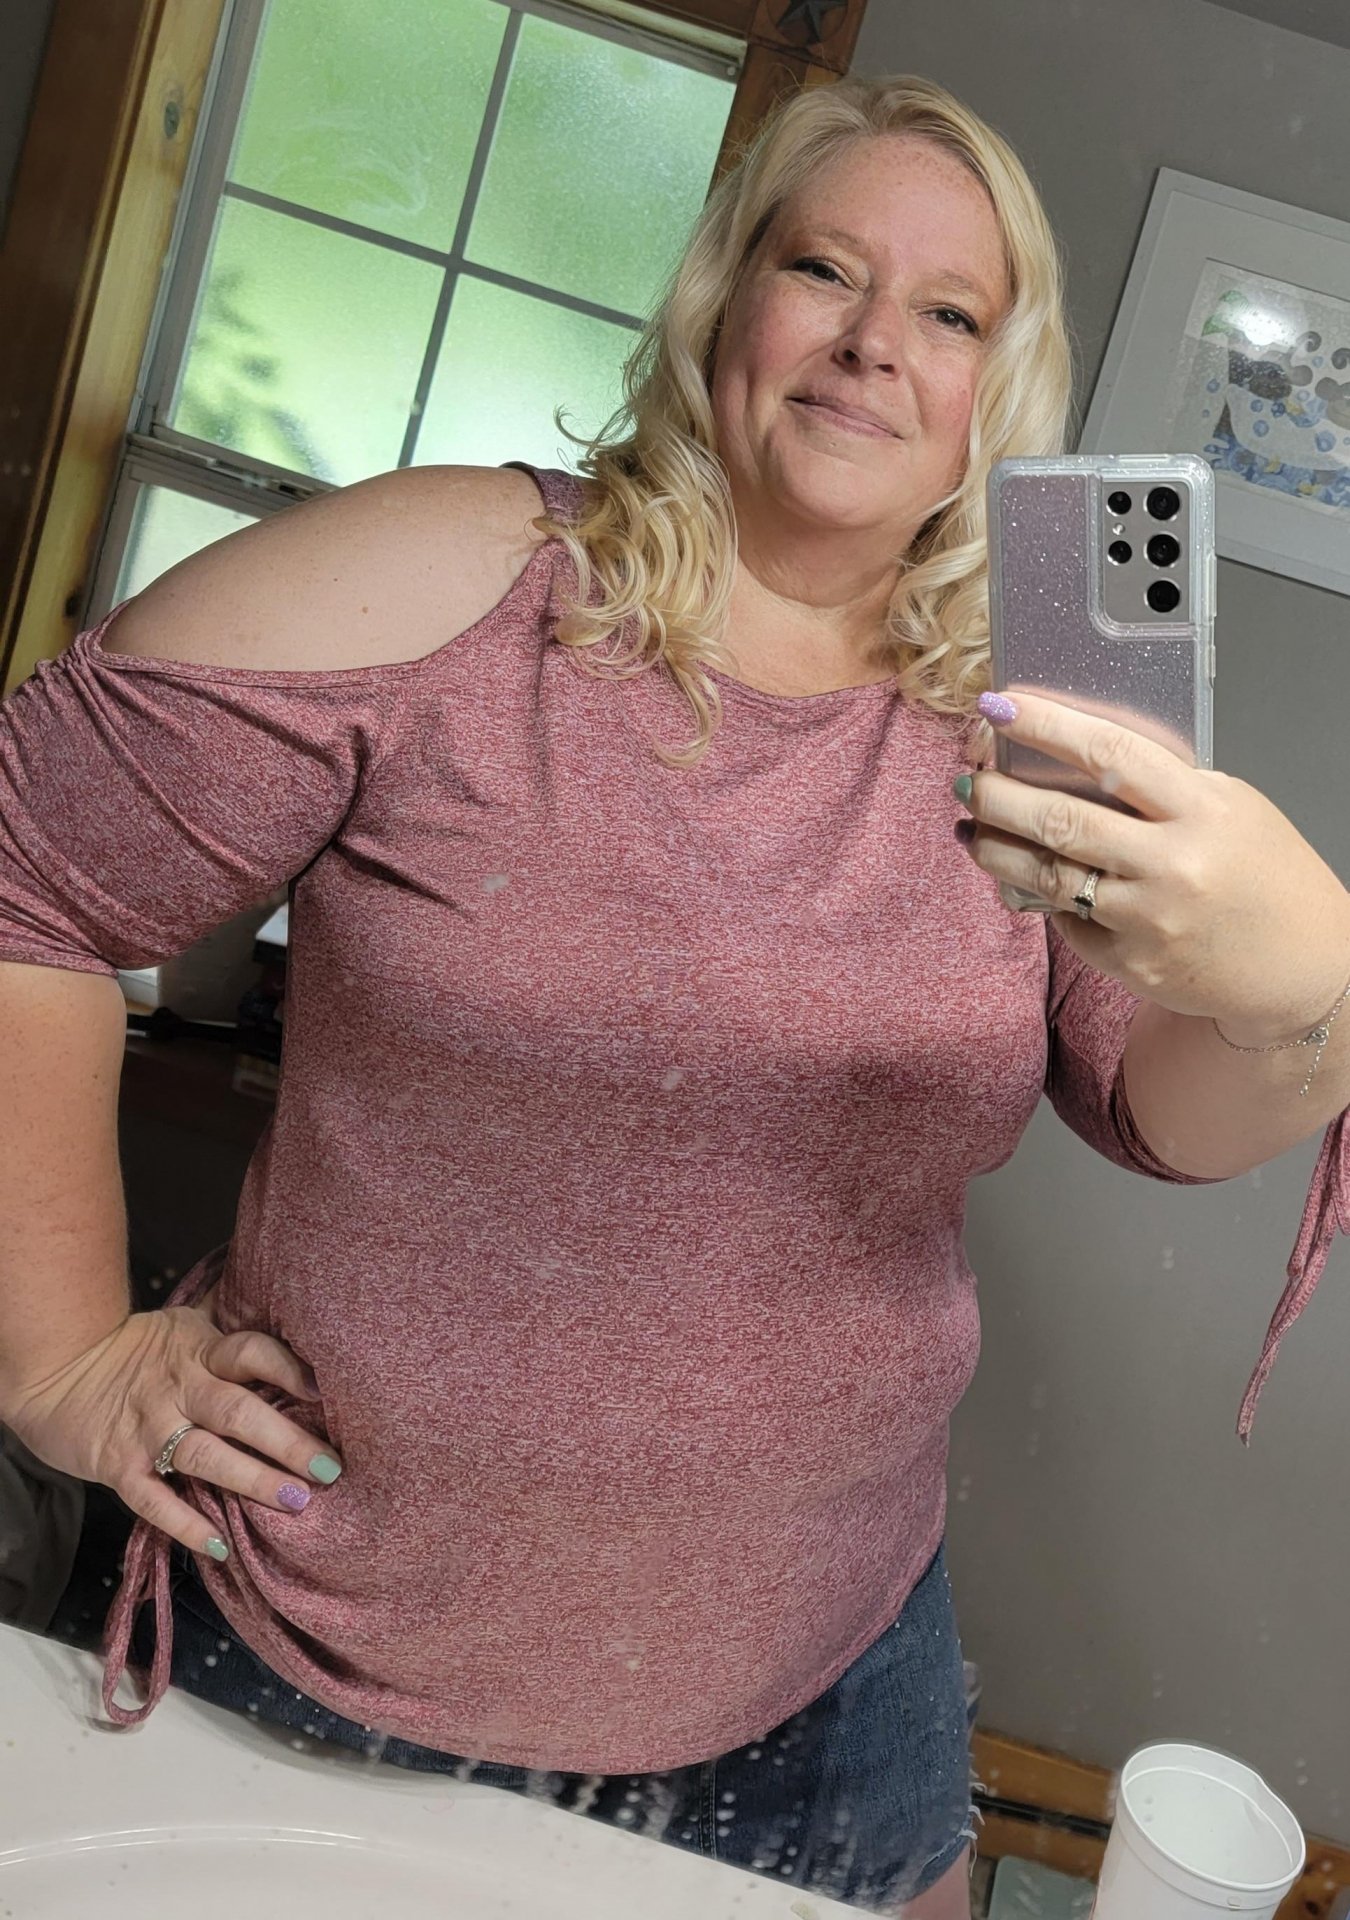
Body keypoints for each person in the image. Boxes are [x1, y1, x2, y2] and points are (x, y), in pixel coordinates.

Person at [0, 70, 1347, 1920]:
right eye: (824, 270)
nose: (875, 344)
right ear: (724, 299)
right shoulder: (461, 577)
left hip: (832, 1677)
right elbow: (29, 870)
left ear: (996, 393)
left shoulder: (1034, 723)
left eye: (949, 314)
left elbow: (1159, 1112)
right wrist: (61, 1358)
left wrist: (1308, 996)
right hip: (342, 1651)